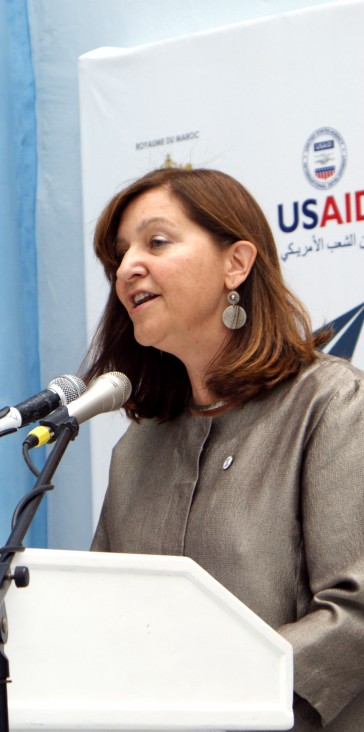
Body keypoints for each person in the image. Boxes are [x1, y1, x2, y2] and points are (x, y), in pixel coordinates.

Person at [84, 167, 364, 731]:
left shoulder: (331, 405)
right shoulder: (135, 450)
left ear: (236, 263)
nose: (128, 267)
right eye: (120, 255)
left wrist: (217, 700)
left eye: (156, 241)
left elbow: (353, 610)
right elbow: (102, 616)